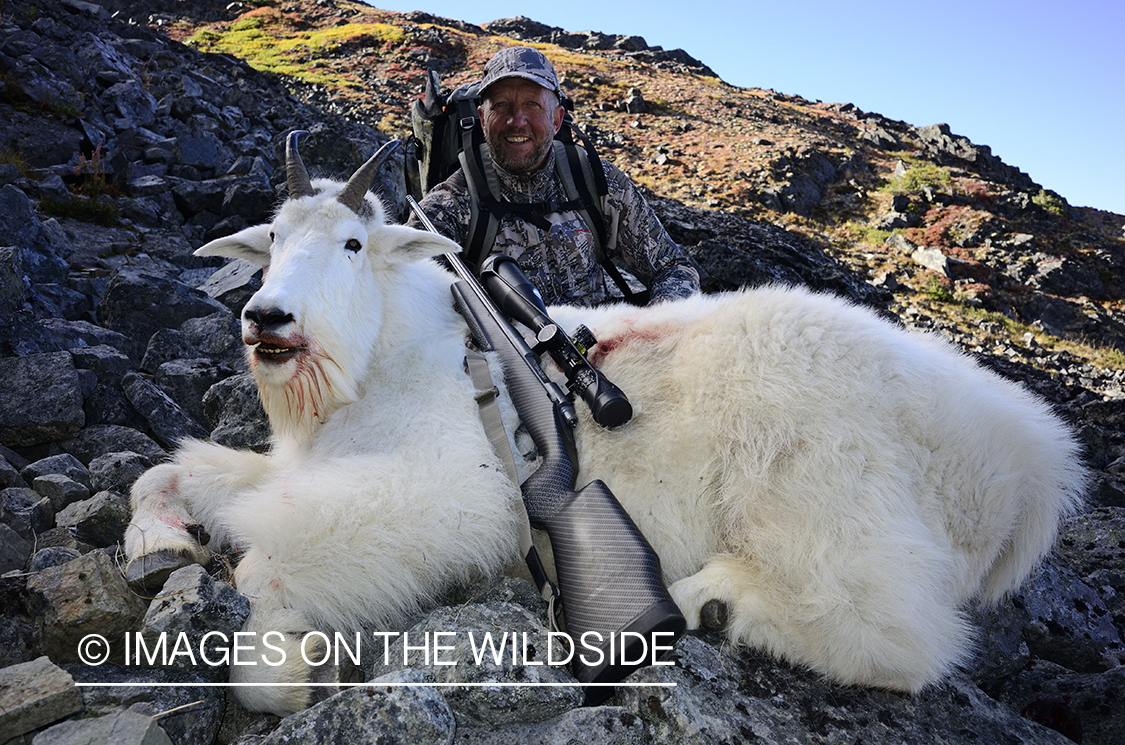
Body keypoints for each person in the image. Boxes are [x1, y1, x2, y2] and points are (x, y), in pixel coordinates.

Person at [409, 46, 700, 307]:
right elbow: (406, 297)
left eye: (532, 105)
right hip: (503, 363)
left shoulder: (598, 181)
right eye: (501, 106)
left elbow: (673, 267)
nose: (516, 120)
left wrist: (651, 332)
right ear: (483, 120)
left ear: (557, 118)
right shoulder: (450, 204)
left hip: (605, 353)